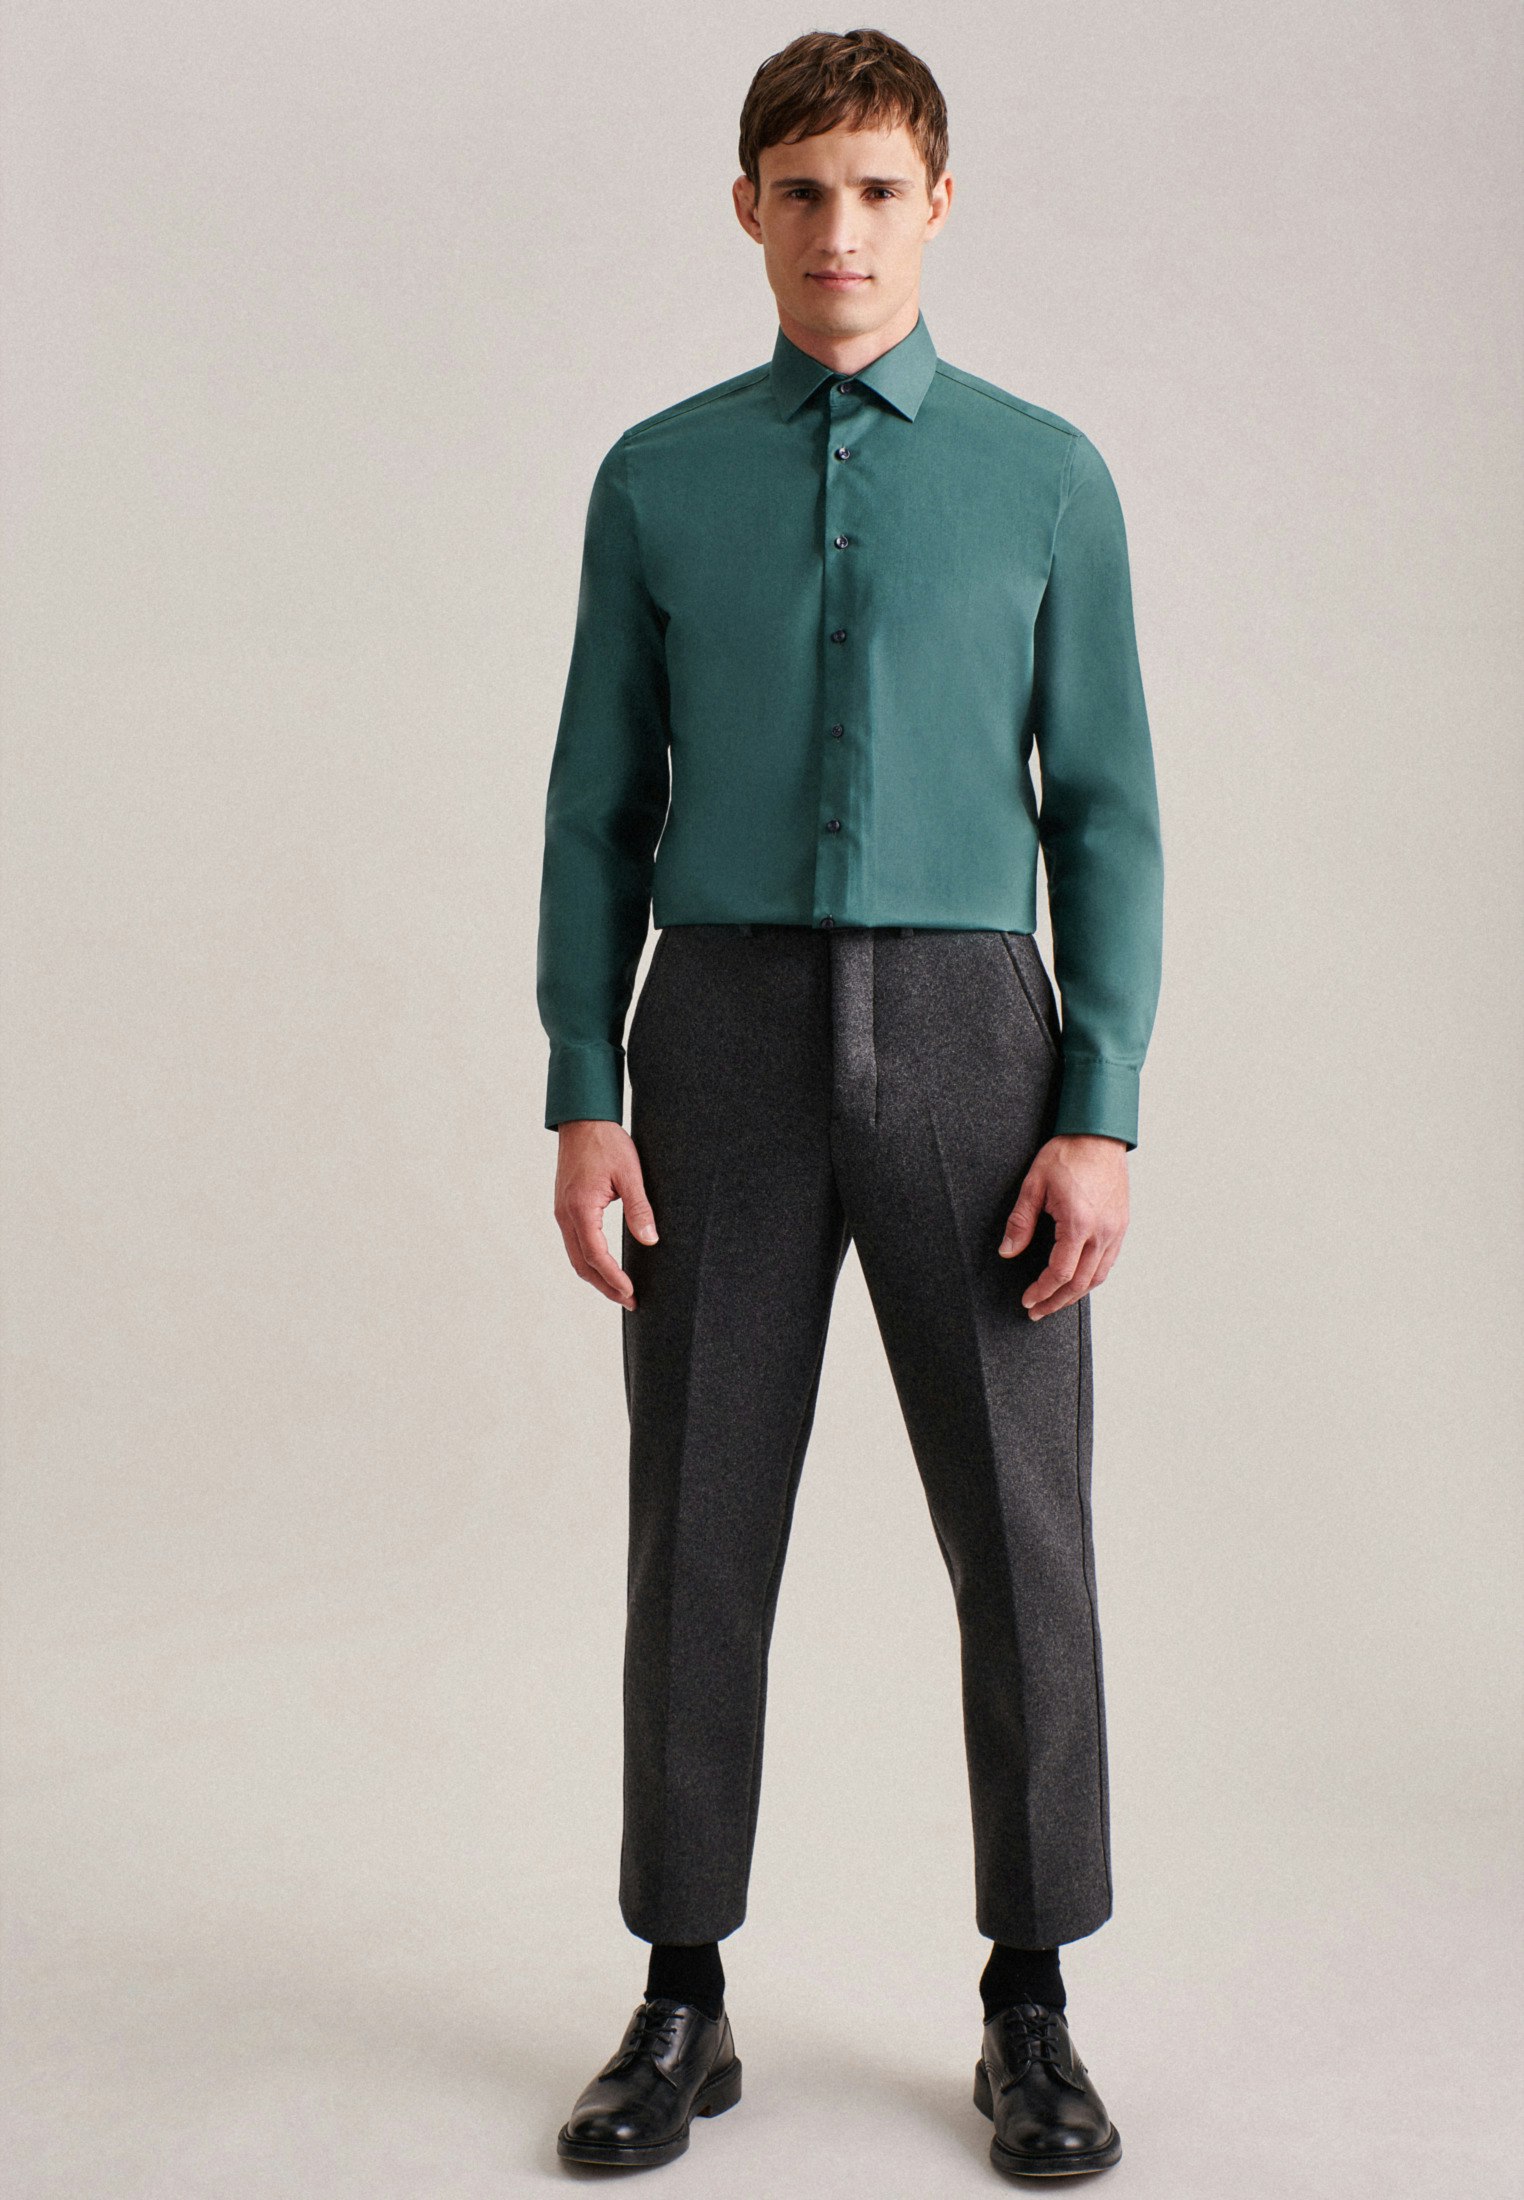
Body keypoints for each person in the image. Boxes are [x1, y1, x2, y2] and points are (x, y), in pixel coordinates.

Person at [535, 26, 1163, 2181]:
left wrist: (1099, 1103)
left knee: (1023, 1530)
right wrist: (583, 1082)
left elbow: (1107, 812)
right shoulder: (657, 477)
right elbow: (596, 807)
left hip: (980, 1034)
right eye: (802, 193)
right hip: (714, 1030)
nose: (841, 233)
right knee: (698, 1525)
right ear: (748, 209)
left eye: (880, 190)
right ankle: (681, 1992)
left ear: (939, 204)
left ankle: (1032, 2003)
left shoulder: (1046, 476)